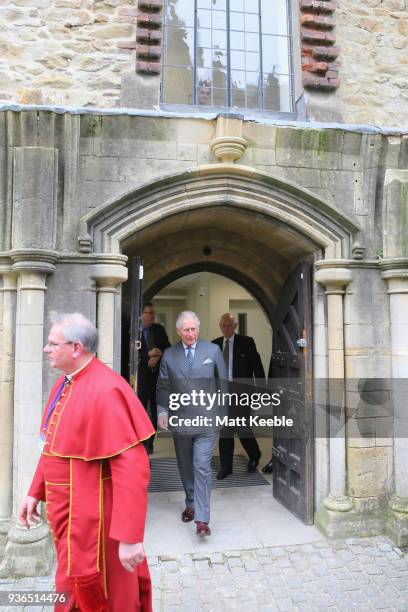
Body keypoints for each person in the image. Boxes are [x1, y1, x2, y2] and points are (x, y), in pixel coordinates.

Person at [18, 313, 155, 612]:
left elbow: (133, 470)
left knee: (109, 596)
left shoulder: (108, 389)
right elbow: (53, 447)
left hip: (97, 524)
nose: (46, 349)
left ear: (76, 348)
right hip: (68, 518)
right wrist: (34, 492)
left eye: (53, 344)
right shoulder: (64, 384)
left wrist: (130, 538)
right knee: (69, 590)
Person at [156, 311, 226, 537]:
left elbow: (223, 385)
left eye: (193, 329)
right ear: (178, 331)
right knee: (186, 464)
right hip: (181, 420)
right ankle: (190, 502)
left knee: (202, 466)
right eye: (185, 330)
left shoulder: (213, 351)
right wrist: (162, 411)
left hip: (207, 420)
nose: (190, 333)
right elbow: (163, 386)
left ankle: (202, 519)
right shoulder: (169, 354)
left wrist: (223, 414)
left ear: (198, 328)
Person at [212, 313, 265, 480]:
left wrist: (261, 391)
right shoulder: (214, 345)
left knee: (243, 429)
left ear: (235, 326)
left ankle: (254, 455)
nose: (226, 329)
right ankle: (226, 467)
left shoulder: (246, 342)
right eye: (223, 326)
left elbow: (257, 367)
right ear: (220, 326)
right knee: (225, 431)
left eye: (229, 326)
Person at [137, 302, 170, 454]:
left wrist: (159, 353)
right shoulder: (134, 331)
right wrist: (147, 356)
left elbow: (168, 347)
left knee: (156, 411)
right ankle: (141, 441)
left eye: (153, 313)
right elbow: (127, 352)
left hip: (156, 376)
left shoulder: (158, 329)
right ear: (141, 315)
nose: (152, 316)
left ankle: (150, 442)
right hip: (139, 377)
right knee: (141, 410)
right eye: (149, 313)